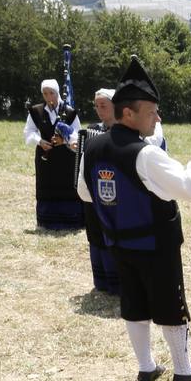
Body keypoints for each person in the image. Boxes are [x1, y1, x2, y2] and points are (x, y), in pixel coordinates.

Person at [76, 57, 191, 381]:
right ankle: (183, 372)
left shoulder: (92, 145)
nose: (157, 117)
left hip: (118, 242)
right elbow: (187, 187)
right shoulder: (146, 153)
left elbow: (84, 192)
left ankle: (146, 367)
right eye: (151, 111)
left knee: (134, 303)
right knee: (170, 304)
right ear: (128, 113)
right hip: (156, 242)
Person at [75, 88, 121, 295]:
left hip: (116, 193)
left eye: (104, 105)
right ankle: (102, 279)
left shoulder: (124, 131)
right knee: (95, 233)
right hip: (94, 192)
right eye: (97, 105)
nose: (99, 109)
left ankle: (118, 281)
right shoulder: (91, 130)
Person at [23, 78, 83, 230]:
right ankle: (46, 221)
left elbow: (77, 134)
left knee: (67, 186)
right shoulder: (36, 111)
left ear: (57, 93)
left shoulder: (69, 112)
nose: (49, 97)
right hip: (45, 157)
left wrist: (65, 140)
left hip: (66, 157)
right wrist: (39, 141)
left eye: (51, 93)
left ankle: (70, 221)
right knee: (46, 185)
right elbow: (28, 131)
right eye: (45, 93)